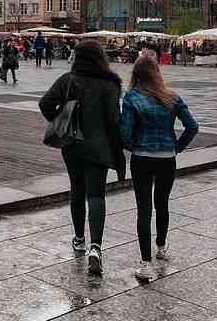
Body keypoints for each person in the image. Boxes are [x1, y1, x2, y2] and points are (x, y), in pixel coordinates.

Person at [38, 40, 125, 275]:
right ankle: (95, 248)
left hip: (72, 144)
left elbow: (45, 104)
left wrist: (62, 119)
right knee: (96, 193)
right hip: (99, 146)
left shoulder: (68, 79)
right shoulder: (111, 84)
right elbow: (114, 121)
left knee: (77, 189)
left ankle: (78, 239)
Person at [120, 55, 198, 282]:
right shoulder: (172, 97)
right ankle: (161, 246)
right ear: (157, 73)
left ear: (136, 75)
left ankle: (145, 264)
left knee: (143, 209)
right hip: (166, 158)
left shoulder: (131, 97)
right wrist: (176, 147)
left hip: (142, 158)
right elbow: (192, 126)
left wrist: (133, 145)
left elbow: (125, 133)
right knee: (162, 203)